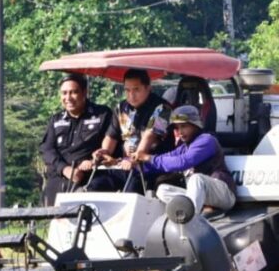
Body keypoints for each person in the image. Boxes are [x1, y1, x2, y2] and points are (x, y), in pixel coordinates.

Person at [131, 105, 236, 214]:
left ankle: (191, 218)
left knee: (196, 179)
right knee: (163, 190)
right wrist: (136, 166)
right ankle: (198, 210)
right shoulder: (184, 147)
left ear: (195, 125)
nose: (180, 132)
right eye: (177, 128)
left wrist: (148, 157)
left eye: (184, 126)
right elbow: (166, 158)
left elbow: (182, 162)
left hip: (224, 194)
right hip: (200, 195)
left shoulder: (207, 140)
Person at [86, 68, 173, 193]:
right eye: (127, 90)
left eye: (136, 90)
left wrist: (133, 160)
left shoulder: (162, 108)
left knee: (131, 190)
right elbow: (111, 137)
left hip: (151, 167)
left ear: (148, 88)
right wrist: (103, 153)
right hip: (124, 166)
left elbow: (148, 138)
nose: (131, 95)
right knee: (95, 185)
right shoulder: (121, 107)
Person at [39, 73, 115, 205]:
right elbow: (47, 149)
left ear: (85, 92)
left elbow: (110, 146)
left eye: (73, 92)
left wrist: (93, 161)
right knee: (52, 213)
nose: (68, 98)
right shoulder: (55, 120)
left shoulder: (103, 114)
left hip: (91, 177)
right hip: (60, 177)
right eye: (64, 93)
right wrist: (65, 169)